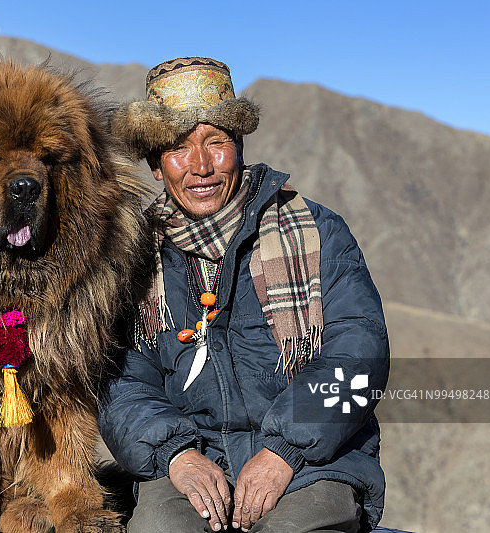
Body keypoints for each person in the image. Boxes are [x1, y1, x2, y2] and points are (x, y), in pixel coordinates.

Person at [99, 57, 390, 533]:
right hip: (191, 463)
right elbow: (122, 378)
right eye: (178, 148)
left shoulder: (318, 232)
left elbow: (360, 352)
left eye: (216, 141)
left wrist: (285, 451)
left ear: (238, 145)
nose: (201, 166)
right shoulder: (132, 255)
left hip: (312, 463)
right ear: (155, 164)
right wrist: (176, 455)